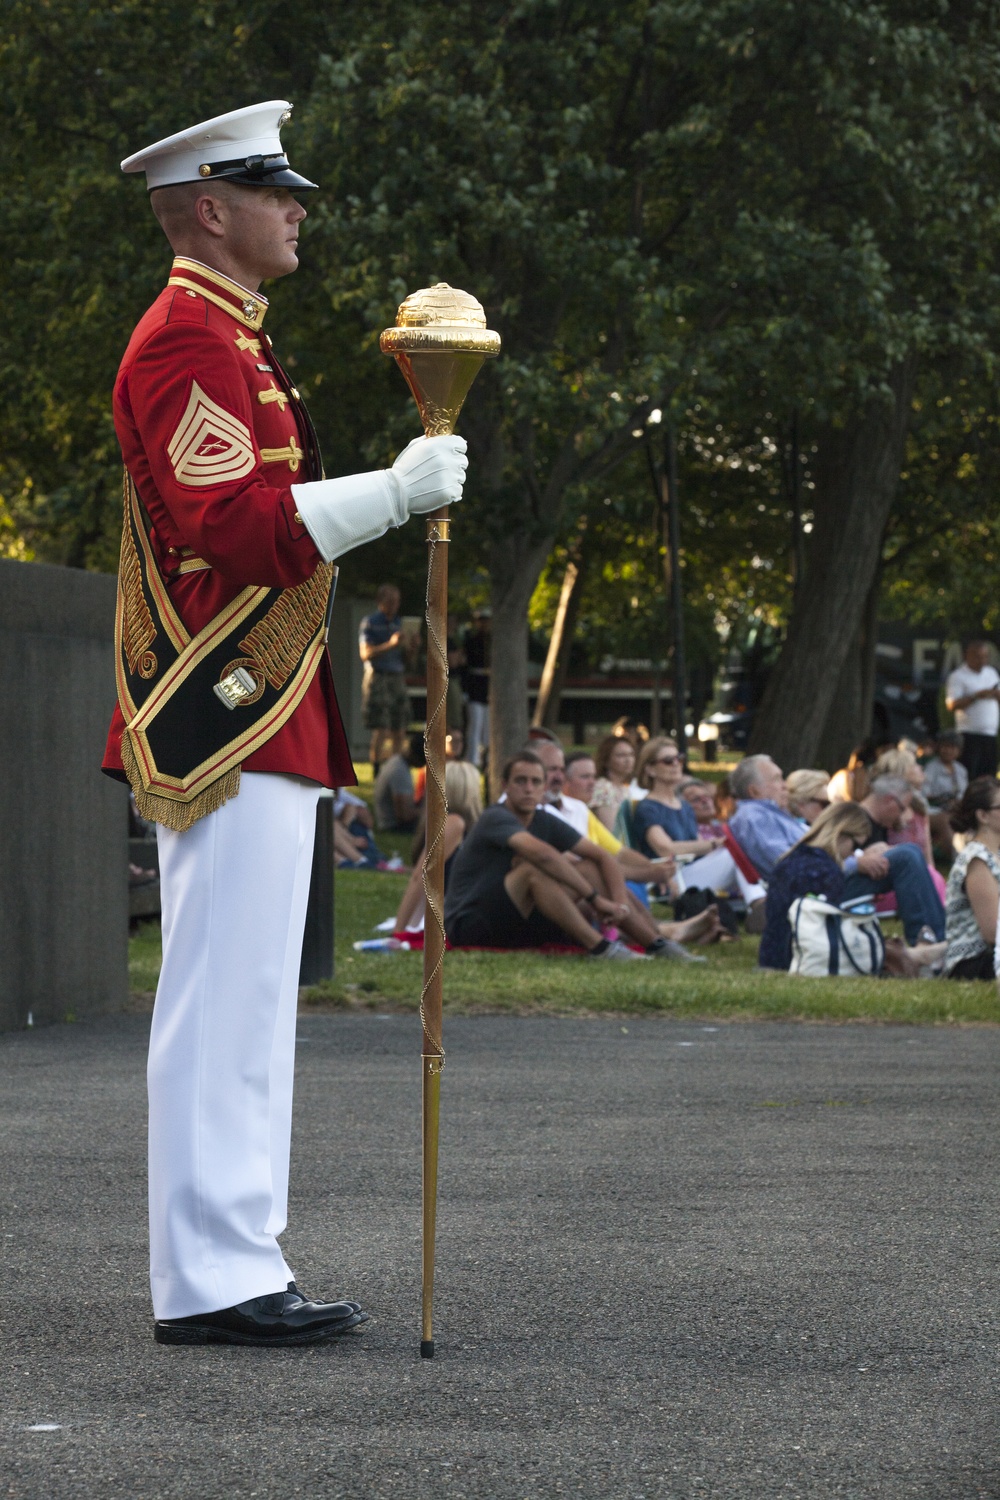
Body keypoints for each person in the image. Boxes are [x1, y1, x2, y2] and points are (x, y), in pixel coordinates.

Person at [104, 102, 468, 1347]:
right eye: (275, 191)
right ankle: (211, 1277)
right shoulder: (182, 344)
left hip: (265, 703)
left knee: (252, 1003)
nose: (297, 206)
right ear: (212, 207)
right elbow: (238, 531)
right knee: (223, 1004)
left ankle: (236, 1257)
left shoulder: (235, 340)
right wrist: (393, 491)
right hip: (223, 708)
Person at [444, 752, 695, 959]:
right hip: (471, 924)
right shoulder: (495, 817)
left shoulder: (545, 819)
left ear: (544, 787)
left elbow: (604, 856)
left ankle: (658, 945)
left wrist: (618, 904)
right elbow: (543, 855)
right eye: (520, 781)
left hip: (516, 920)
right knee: (533, 872)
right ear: (504, 786)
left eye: (535, 782)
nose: (529, 789)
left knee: (589, 867)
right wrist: (595, 899)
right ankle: (601, 949)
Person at [731, 759, 946, 944]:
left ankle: (934, 939)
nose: (785, 785)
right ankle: (931, 942)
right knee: (906, 857)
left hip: (823, 880)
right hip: (811, 892)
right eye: (777, 779)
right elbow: (788, 866)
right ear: (754, 790)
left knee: (906, 854)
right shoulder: (754, 818)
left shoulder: (773, 816)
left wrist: (859, 856)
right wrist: (856, 863)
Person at [632, 737, 768, 926]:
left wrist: (716, 845)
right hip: (668, 878)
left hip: (692, 871)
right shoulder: (648, 807)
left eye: (679, 758)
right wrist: (713, 844)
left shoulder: (684, 806)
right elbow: (665, 848)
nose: (676, 764)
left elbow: (696, 848)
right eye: (668, 761)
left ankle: (760, 904)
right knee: (732, 852)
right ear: (650, 769)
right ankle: (759, 903)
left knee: (737, 848)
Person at [758, 803, 875, 970]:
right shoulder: (827, 872)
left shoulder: (789, 859)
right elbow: (828, 934)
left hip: (770, 956)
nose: (853, 853)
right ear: (839, 834)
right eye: (856, 846)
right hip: (803, 960)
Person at [394, 760, 483, 932]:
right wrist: (403, 928)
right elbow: (422, 878)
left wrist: (399, 930)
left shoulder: (454, 824)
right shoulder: (459, 824)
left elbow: (419, 876)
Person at [942, 778, 1000, 980]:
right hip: (974, 963)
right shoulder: (977, 860)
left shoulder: (995, 854)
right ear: (983, 815)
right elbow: (993, 932)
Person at [359, 583, 413, 772]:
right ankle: (377, 770)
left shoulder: (399, 623)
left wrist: (411, 647)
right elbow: (365, 653)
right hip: (378, 677)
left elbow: (408, 660)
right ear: (380, 602)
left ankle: (397, 768)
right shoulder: (370, 622)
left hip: (397, 676)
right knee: (381, 727)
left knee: (400, 726)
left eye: (397, 601)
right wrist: (390, 644)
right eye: (390, 601)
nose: (394, 605)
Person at [945, 640, 1000, 780]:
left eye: (985, 656)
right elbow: (951, 705)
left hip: (990, 734)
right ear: (967, 656)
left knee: (989, 776)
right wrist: (977, 696)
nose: (982, 660)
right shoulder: (958, 676)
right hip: (969, 734)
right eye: (978, 656)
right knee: (970, 775)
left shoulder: (991, 673)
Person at [923, 730, 968, 860]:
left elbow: (964, 794)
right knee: (945, 820)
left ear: (958, 751)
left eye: (952, 747)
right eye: (944, 746)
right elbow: (925, 793)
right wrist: (943, 800)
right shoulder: (931, 768)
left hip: (957, 808)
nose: (947, 750)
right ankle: (958, 859)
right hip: (935, 809)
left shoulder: (961, 770)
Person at [373, 732, 424, 831]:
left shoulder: (398, 761)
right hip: (392, 825)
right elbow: (404, 815)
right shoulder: (399, 771)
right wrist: (428, 812)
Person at [590, 734, 644, 830]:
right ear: (606, 760)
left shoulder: (624, 788)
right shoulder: (603, 787)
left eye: (631, 754)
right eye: (621, 755)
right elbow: (610, 830)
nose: (628, 760)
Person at [463, 608, 491, 768]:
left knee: (487, 726)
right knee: (475, 724)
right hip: (475, 687)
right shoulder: (471, 641)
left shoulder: (493, 641)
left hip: (488, 686)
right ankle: (473, 758)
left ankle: (486, 757)